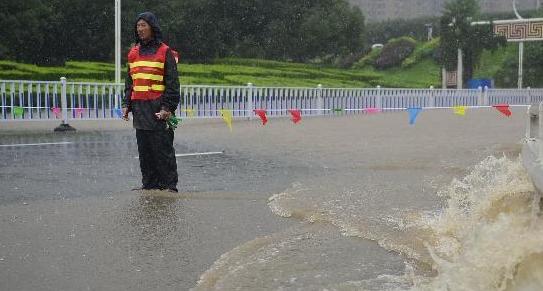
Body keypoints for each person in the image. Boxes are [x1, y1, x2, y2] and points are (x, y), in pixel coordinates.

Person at [122, 12, 180, 192]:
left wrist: (167, 108)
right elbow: (130, 82)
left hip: (158, 109)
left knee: (163, 150)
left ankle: (169, 186)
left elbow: (172, 83)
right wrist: (126, 105)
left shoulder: (165, 51)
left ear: (152, 27)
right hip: (140, 109)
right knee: (145, 151)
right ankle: (149, 184)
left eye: (143, 25)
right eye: (138, 26)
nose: (140, 29)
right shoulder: (133, 53)